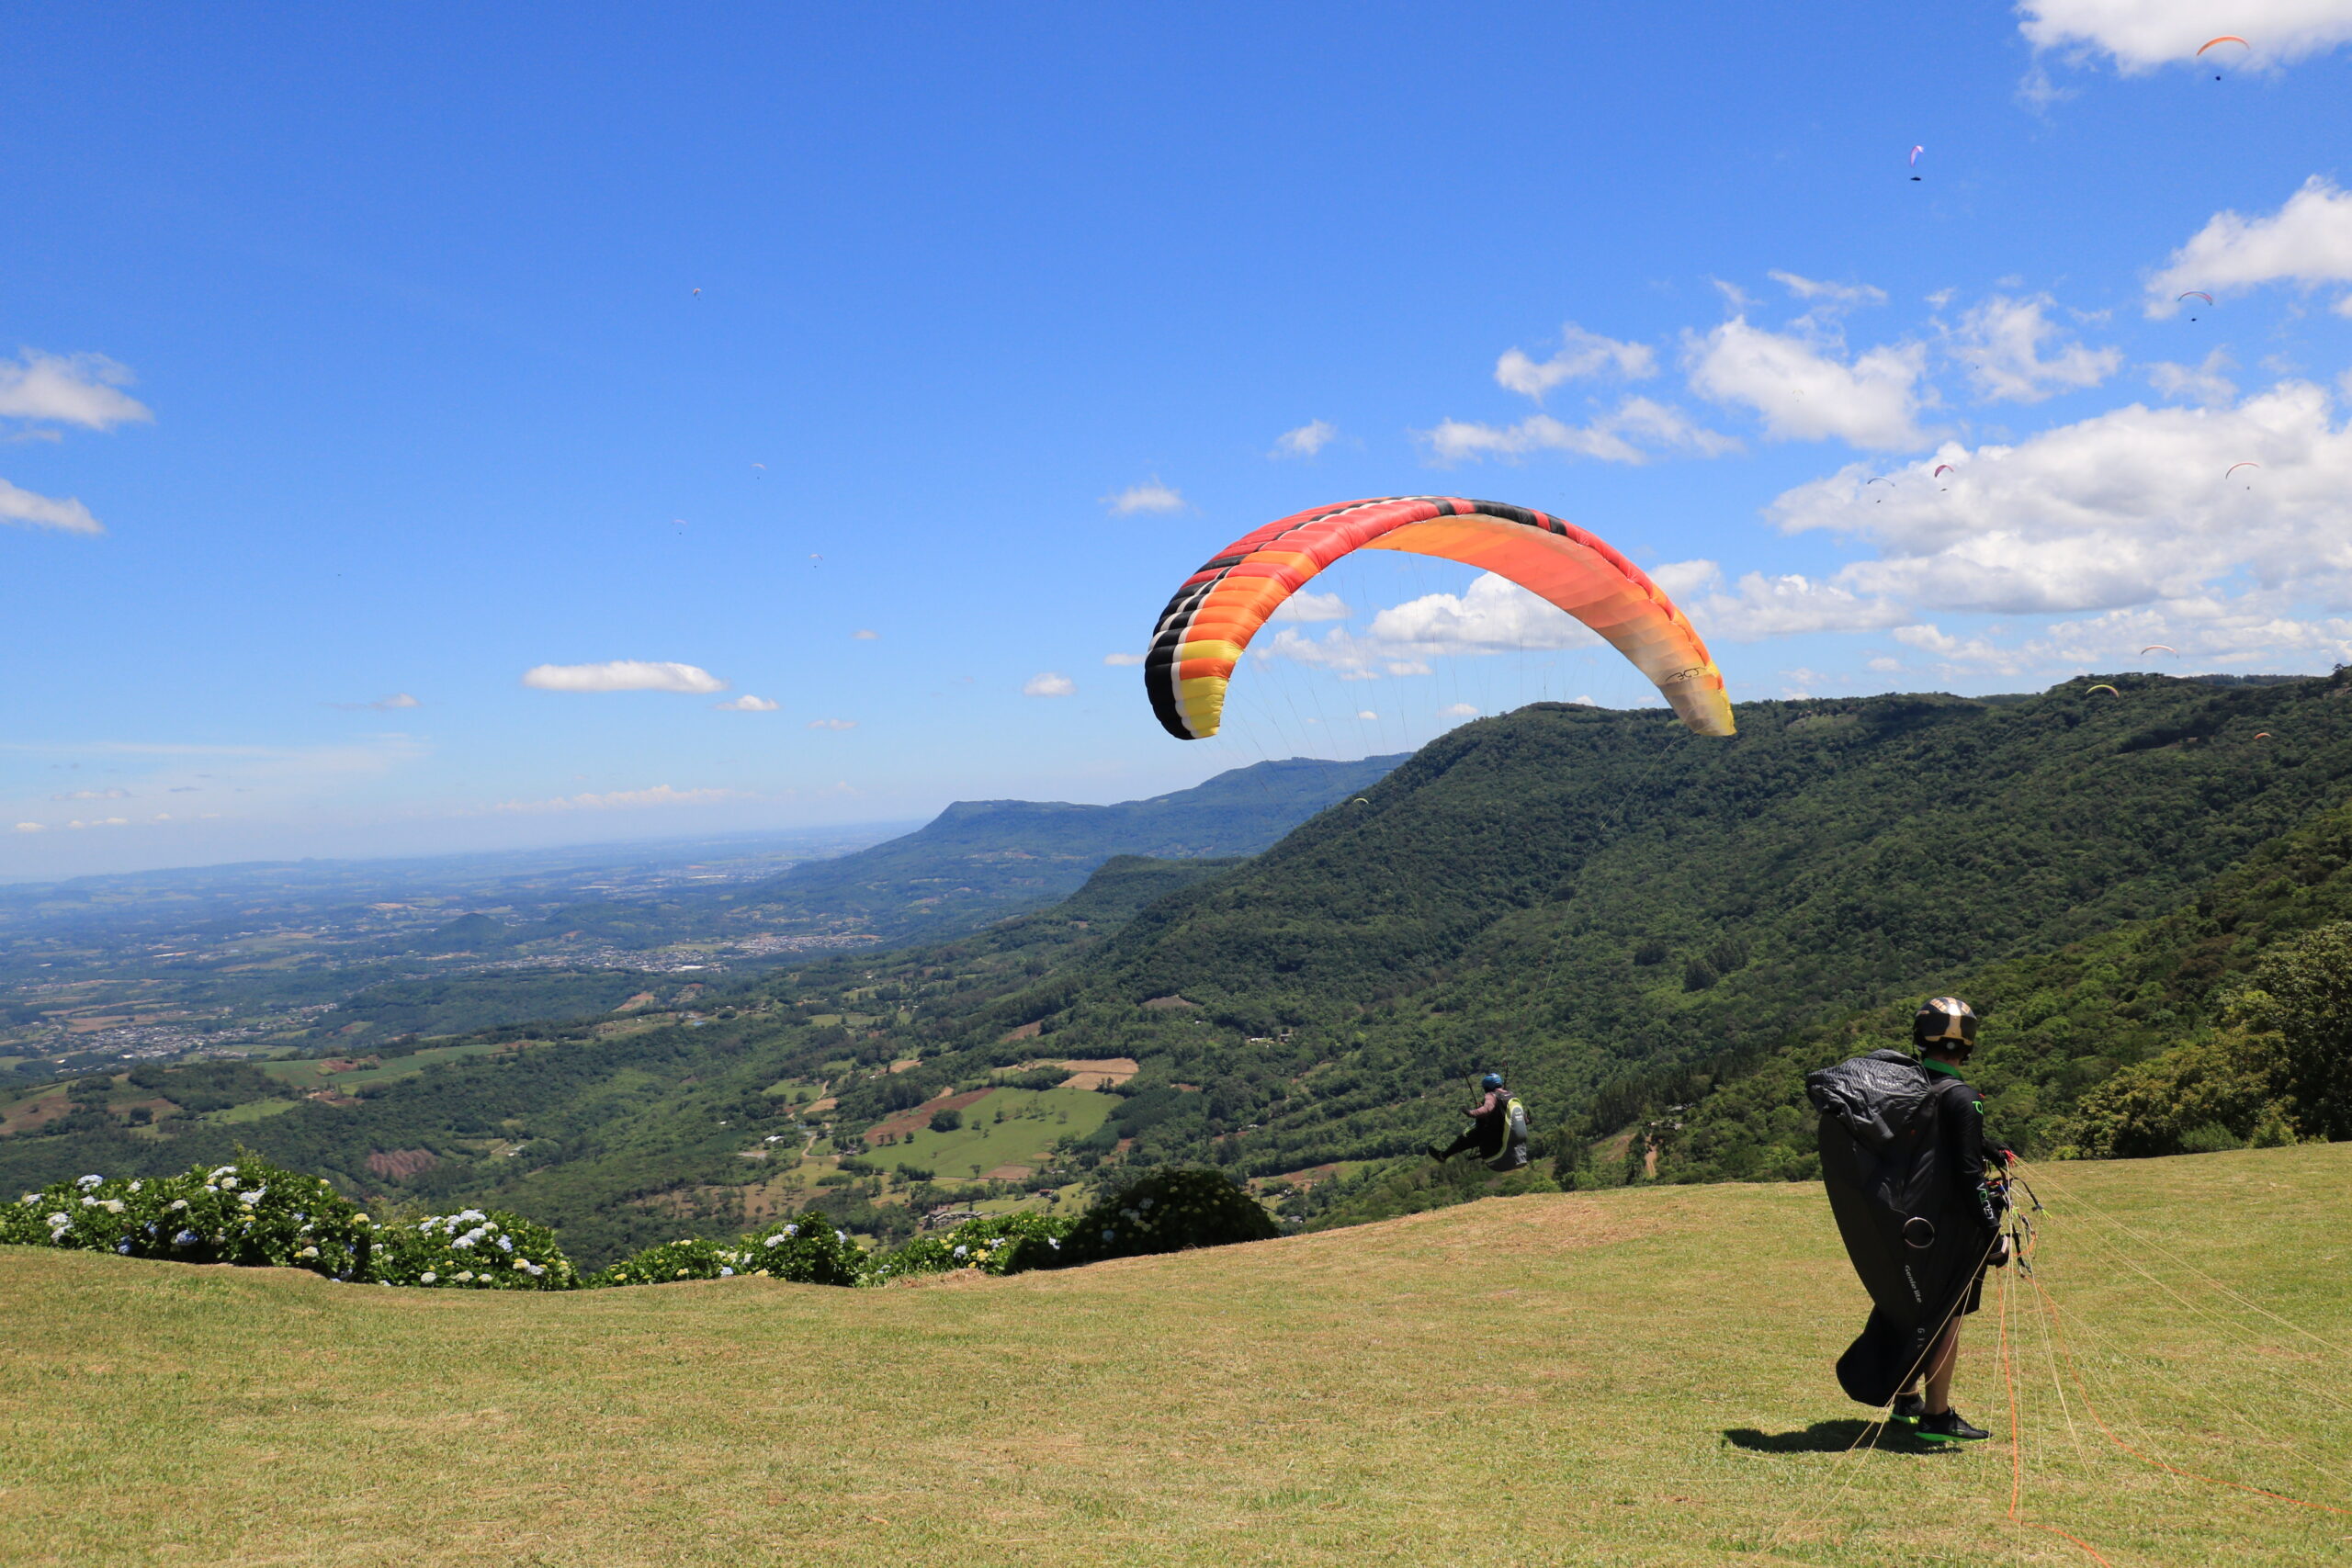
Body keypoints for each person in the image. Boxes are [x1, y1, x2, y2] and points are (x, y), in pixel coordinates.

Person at [1888, 996, 2008, 1444]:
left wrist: (1985, 1143)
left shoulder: (1909, 1088)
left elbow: (1942, 1141)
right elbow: (1967, 1174)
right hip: (1947, 1229)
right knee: (1948, 1318)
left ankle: (1906, 1397)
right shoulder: (1963, 1097)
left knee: (1913, 1308)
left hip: (1905, 1220)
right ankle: (1936, 1416)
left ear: (1921, 1039)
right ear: (1967, 1046)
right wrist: (1992, 1233)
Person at [1428, 1073, 1528, 1168]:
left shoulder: (1491, 1096)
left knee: (1471, 1134)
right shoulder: (1511, 1096)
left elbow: (1486, 1109)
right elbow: (1524, 1119)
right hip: (1516, 1145)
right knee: (1483, 1126)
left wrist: (1470, 1112)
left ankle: (1444, 1155)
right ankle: (1445, 1155)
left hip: (1497, 1146)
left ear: (1486, 1087)